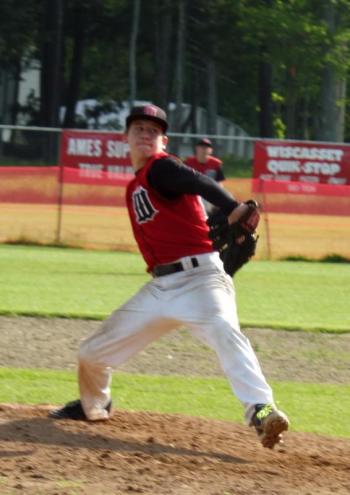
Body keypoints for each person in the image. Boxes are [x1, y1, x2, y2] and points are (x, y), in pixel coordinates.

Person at [49, 104, 289, 449]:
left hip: (201, 280)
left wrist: (232, 205)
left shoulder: (162, 168)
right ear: (126, 137)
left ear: (164, 140)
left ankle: (262, 411)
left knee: (226, 333)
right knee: (92, 353)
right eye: (139, 129)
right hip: (161, 287)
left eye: (153, 130)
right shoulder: (137, 183)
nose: (146, 134)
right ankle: (94, 407)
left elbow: (196, 180)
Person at [184, 138, 225, 215]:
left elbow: (219, 184)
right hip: (193, 194)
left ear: (211, 150)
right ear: (197, 148)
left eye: (207, 147)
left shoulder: (215, 164)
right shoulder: (188, 163)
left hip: (209, 194)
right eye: (202, 146)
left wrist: (220, 197)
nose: (204, 149)